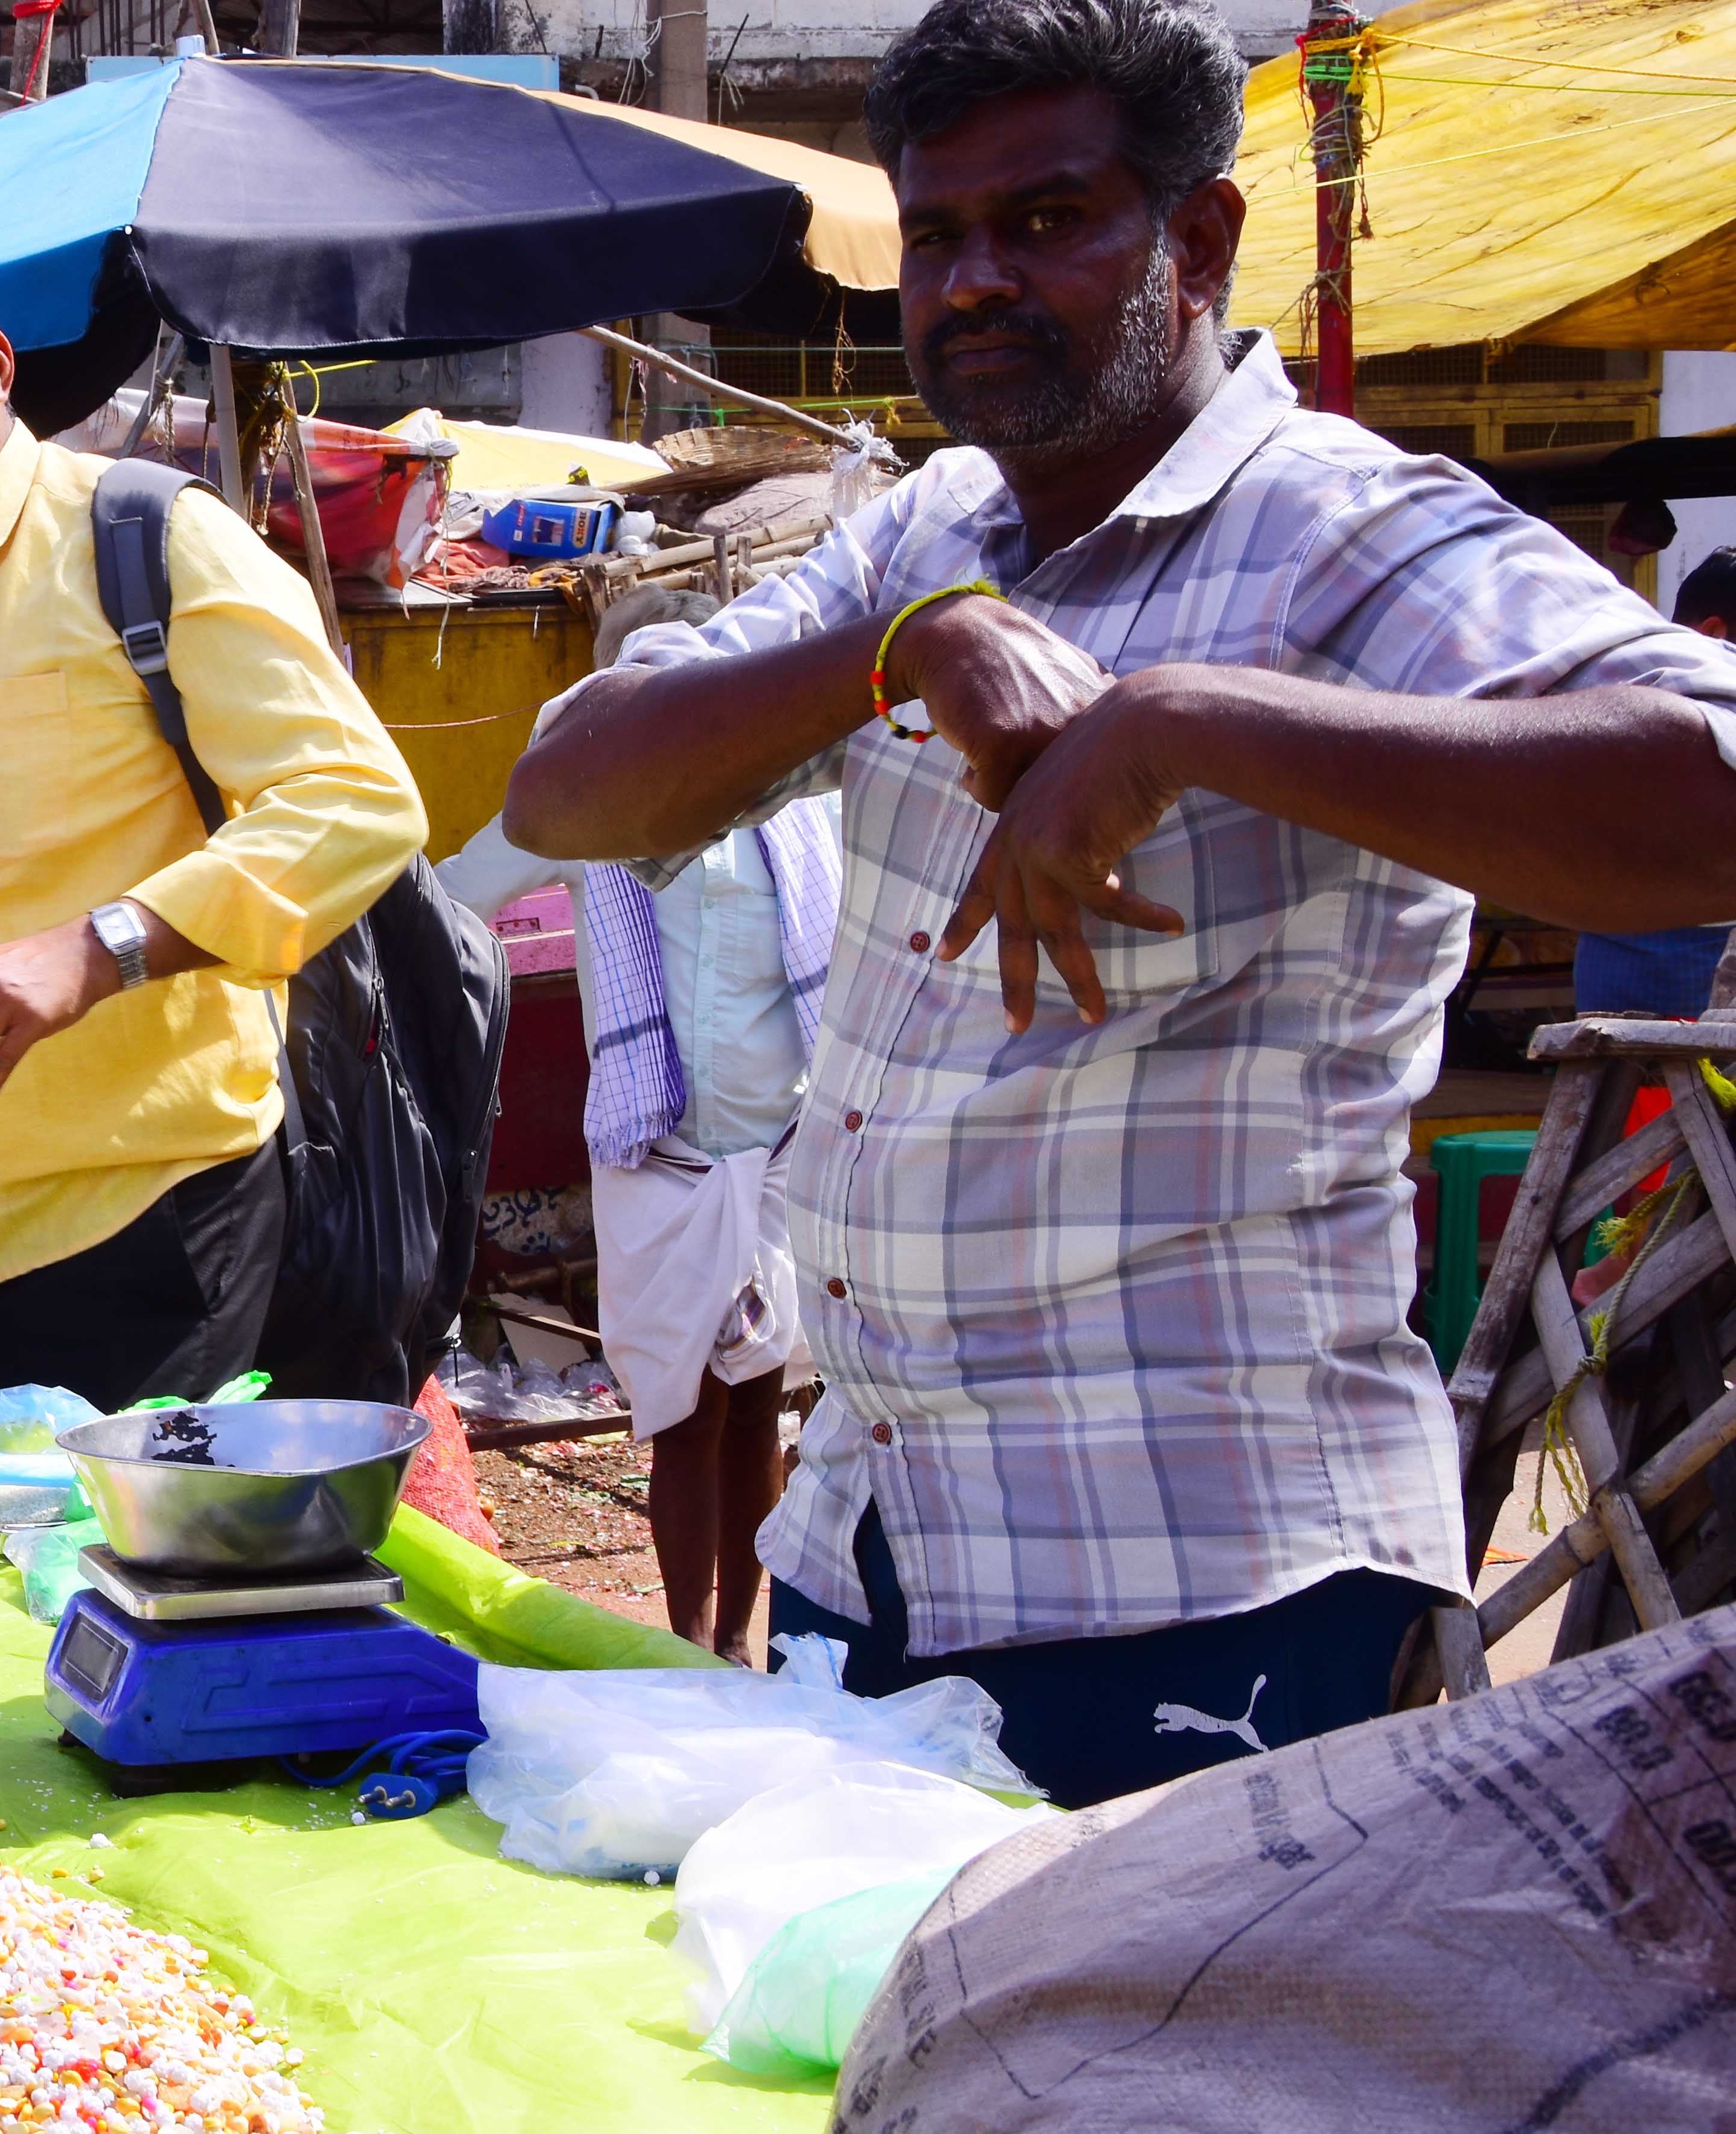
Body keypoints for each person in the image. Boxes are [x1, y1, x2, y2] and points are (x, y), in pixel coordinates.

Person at [502, 0, 1736, 1807]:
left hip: (1201, 1591)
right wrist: (904, 649)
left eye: (1046, 218)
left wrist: (1194, 719)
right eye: (935, 235)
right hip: (873, 1554)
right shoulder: (922, 534)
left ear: (1199, 240)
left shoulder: (1331, 526)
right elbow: (566, 786)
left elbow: (1707, 789)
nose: (974, 279)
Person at [0, 184, 426, 1414]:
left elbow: (357, 803)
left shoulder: (143, 539)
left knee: (116, 1600)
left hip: (152, 1241)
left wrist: (104, 948)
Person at [441, 593, 844, 1664]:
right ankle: (684, 1642)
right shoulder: (585, 811)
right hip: (656, 1160)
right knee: (677, 1420)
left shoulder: (798, 814)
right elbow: (447, 896)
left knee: (759, 1408)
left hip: (775, 1160)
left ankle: (736, 1646)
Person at [1571, 549, 1736, 1018]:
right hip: (1664, 985)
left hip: (1652, 968)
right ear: (1714, 634)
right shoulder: (1662, 718)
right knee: (1653, 1086)